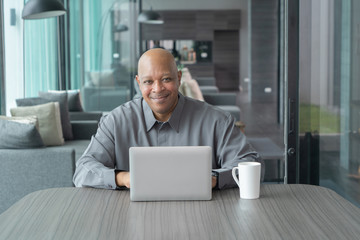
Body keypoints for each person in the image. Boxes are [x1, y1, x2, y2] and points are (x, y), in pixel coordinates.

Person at [73, 48, 262, 190]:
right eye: (148, 82)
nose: (157, 89)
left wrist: (214, 178)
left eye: (166, 79)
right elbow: (82, 171)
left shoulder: (217, 121)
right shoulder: (116, 121)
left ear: (179, 78)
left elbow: (250, 163)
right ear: (139, 83)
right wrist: (123, 178)